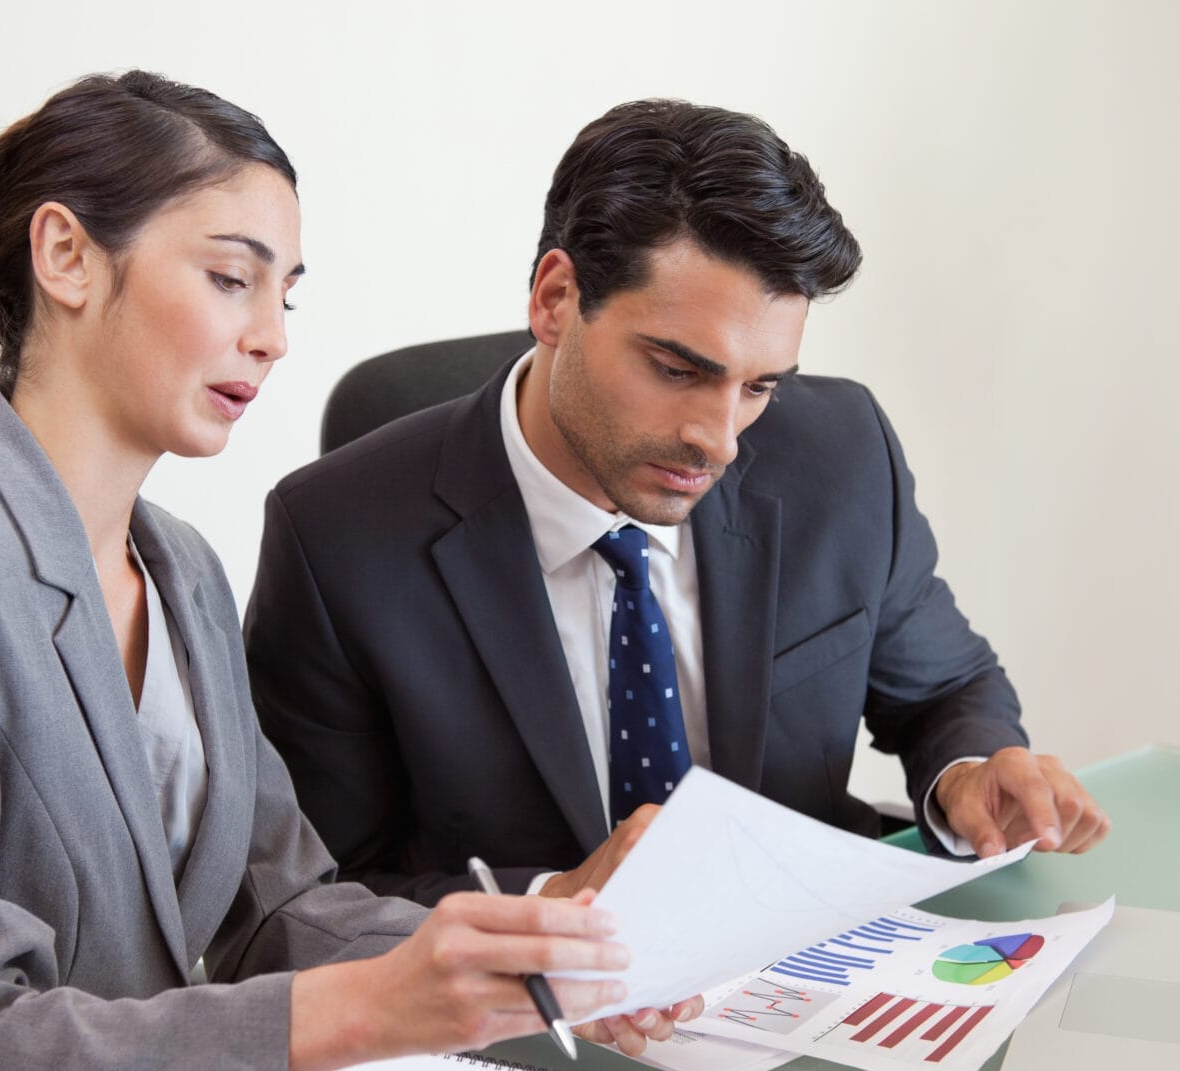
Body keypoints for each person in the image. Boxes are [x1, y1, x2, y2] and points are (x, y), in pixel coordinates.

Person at [0, 72, 689, 1071]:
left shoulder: (183, 564)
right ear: (66, 257)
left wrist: (521, 956)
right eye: (229, 276)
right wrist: (359, 1013)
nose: (274, 335)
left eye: (286, 292)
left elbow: (272, 904)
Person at [243, 100, 1111, 938]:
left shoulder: (842, 455)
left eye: (760, 385)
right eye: (677, 369)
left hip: (797, 984)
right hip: (529, 1038)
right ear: (554, 299)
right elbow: (318, 897)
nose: (720, 438)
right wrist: (554, 901)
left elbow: (945, 691)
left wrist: (969, 774)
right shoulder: (334, 541)